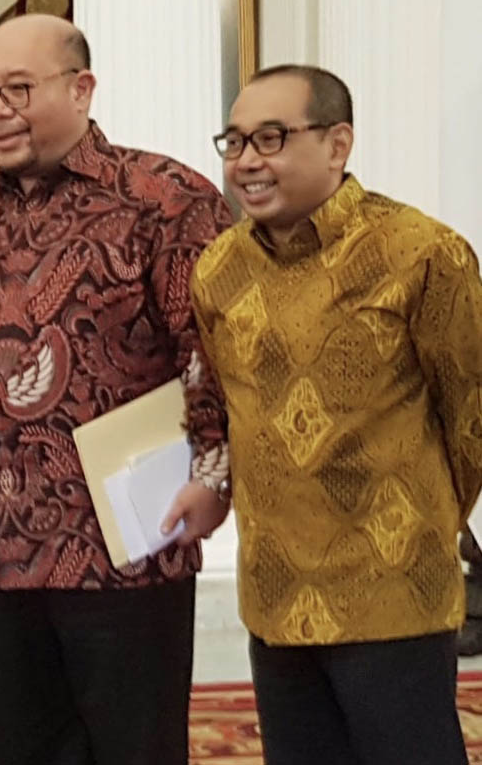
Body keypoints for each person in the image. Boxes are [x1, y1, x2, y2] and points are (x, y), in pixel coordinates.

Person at [0, 15, 233, 765]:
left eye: (18, 90)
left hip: (126, 541)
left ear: (81, 88)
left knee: (134, 748)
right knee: (22, 747)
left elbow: (215, 351)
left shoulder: (163, 197)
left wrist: (213, 474)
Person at [191, 63, 482, 765]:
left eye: (270, 137)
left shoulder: (420, 253)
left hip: (391, 587)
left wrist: (417, 521)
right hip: (273, 589)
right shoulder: (218, 270)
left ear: (337, 143)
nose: (247, 161)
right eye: (232, 143)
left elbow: (469, 417)